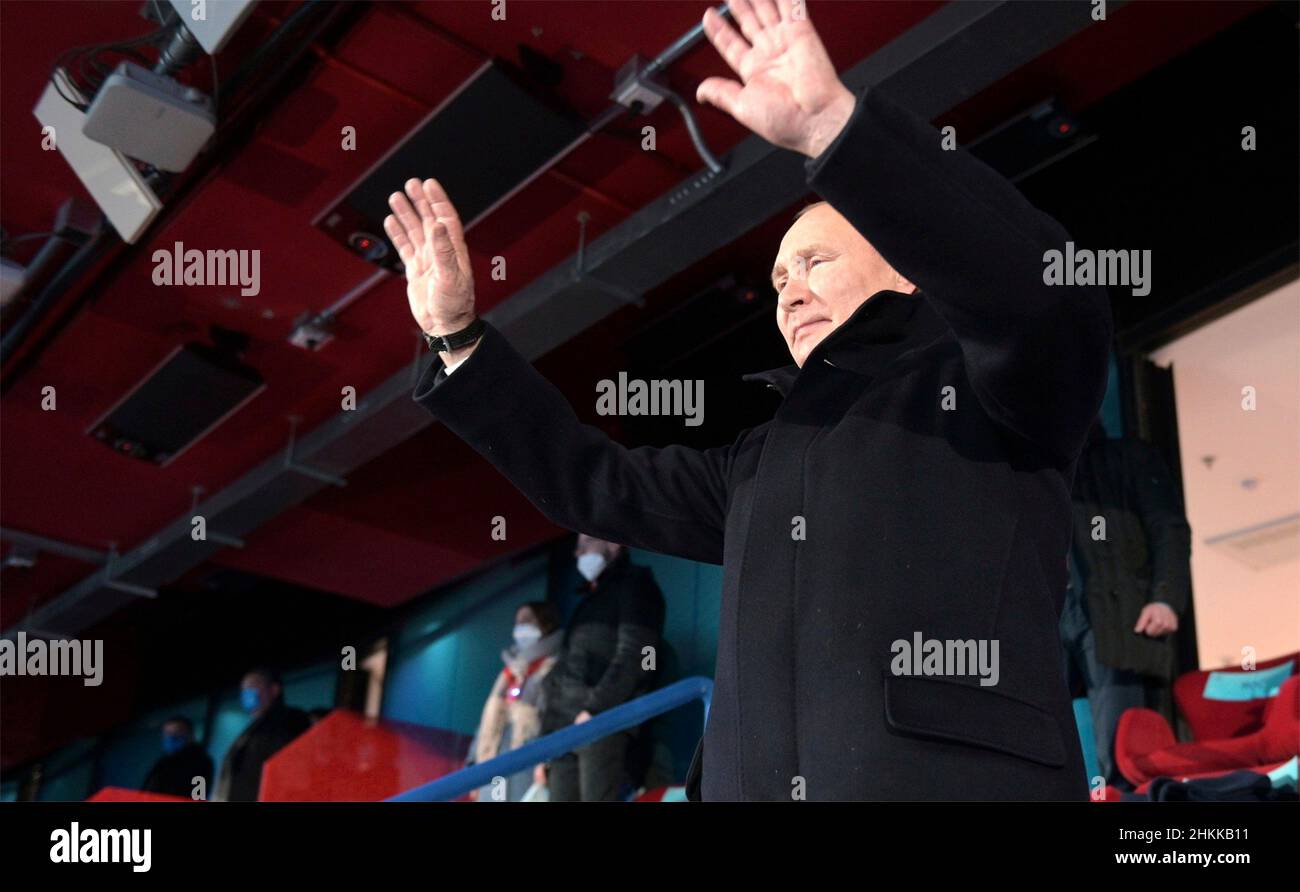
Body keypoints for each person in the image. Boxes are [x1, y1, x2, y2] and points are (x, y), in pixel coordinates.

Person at [387, 0, 1110, 800]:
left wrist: (841, 132)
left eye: (814, 263)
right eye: (776, 281)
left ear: (905, 269)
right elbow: (593, 482)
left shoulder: (991, 391)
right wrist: (458, 339)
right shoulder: (757, 462)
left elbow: (1048, 295)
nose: (789, 294)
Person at [1062, 417, 1192, 786]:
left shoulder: (1128, 457)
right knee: (1041, 739)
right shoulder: (1038, 473)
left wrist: (1165, 598)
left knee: (1123, 751)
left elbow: (1168, 527)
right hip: (1054, 615)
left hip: (1115, 615)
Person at [539, 535, 666, 801]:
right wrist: (546, 738)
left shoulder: (636, 585)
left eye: (587, 542)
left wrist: (596, 710)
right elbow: (566, 672)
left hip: (601, 724)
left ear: (614, 543)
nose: (578, 552)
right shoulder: (589, 599)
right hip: (564, 728)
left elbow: (638, 655)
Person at [465, 600, 562, 802]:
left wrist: (546, 762)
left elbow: (556, 717)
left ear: (545, 624)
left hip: (528, 766)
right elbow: (485, 723)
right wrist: (473, 765)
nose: (521, 627)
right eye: (518, 622)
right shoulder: (508, 672)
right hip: (493, 763)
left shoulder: (553, 667)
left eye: (527, 620)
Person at [214, 667, 311, 802]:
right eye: (243, 689)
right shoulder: (250, 731)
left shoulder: (290, 719)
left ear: (274, 689)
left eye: (253, 686)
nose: (247, 692)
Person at [140, 716, 213, 799]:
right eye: (167, 733)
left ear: (190, 735)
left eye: (177, 732)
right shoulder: (162, 762)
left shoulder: (201, 762)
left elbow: (199, 796)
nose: (171, 737)